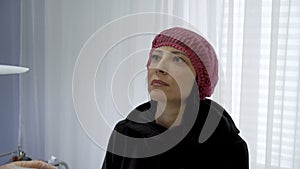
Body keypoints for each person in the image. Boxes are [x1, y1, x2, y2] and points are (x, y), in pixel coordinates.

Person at [101, 27, 249, 169]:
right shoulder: (126, 133)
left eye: (178, 59)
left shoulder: (227, 146)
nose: (160, 68)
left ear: (199, 78)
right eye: (156, 57)